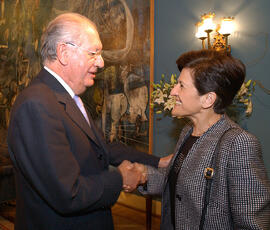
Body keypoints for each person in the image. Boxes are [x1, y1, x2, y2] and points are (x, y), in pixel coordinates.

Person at [7, 13, 171, 230]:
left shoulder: (69, 98)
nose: (101, 62)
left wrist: (157, 162)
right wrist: (120, 178)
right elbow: (68, 194)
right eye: (93, 53)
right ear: (64, 53)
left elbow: (102, 147)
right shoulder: (36, 104)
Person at [136, 50, 270, 229]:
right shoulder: (187, 132)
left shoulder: (239, 144)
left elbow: (252, 224)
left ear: (208, 99)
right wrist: (140, 176)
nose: (173, 92)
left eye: (181, 86)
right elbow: (177, 182)